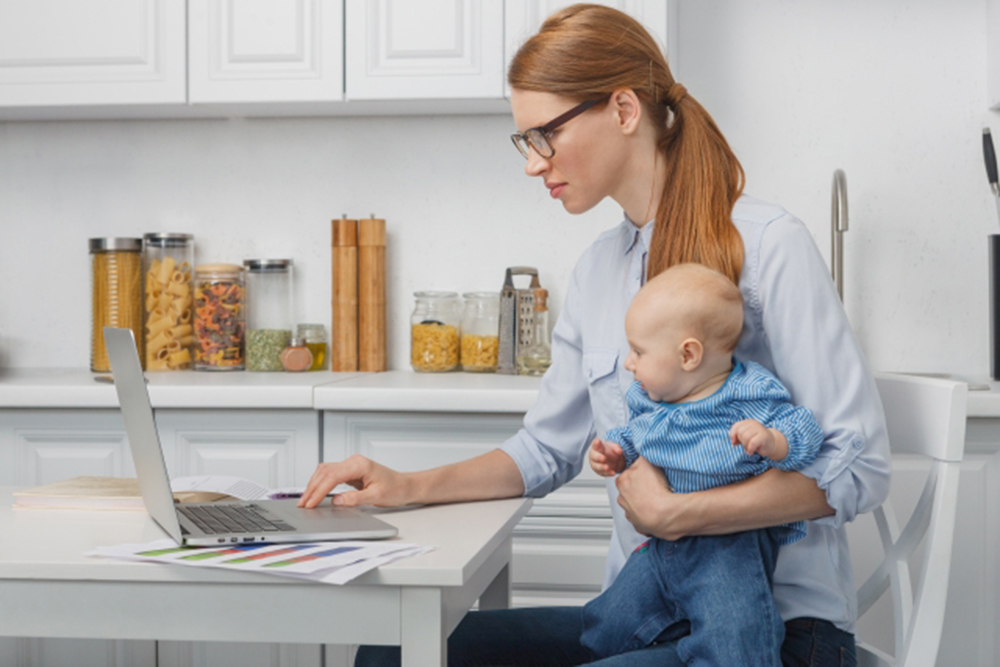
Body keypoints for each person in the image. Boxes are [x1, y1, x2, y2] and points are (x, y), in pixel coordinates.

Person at [299, 5, 890, 665]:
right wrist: (405, 485)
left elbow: (857, 468)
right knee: (390, 654)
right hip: (640, 611)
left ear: (624, 110)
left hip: (778, 634)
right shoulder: (596, 272)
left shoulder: (771, 247)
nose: (533, 163)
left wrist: (678, 515)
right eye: (525, 141)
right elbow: (545, 449)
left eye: (544, 134)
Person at [580, 262, 823, 666]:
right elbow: (637, 435)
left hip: (728, 546)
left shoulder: (750, 393)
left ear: (688, 354)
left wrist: (773, 442)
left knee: (734, 641)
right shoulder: (649, 399)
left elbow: (804, 429)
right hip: (664, 549)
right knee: (604, 627)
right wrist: (615, 452)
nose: (629, 363)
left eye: (638, 351)